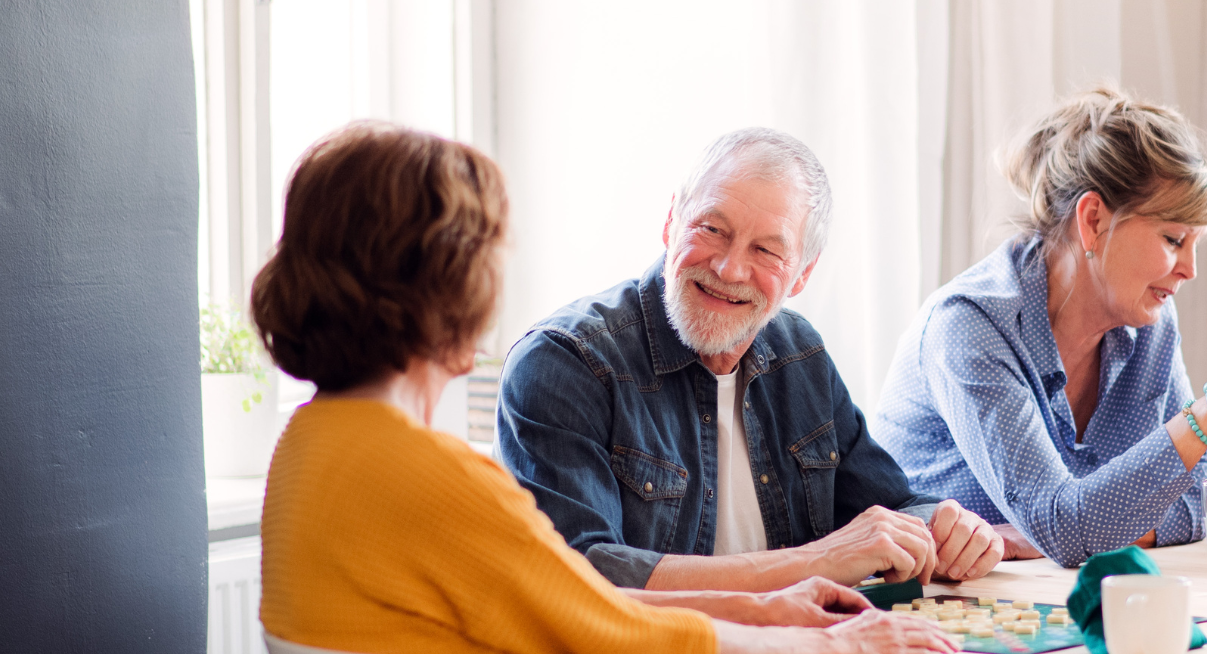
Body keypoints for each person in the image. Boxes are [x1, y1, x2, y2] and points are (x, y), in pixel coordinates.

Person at [254, 122, 954, 653]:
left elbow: (586, 608)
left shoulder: (309, 443)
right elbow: (604, 625)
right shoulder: (438, 484)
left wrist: (774, 609)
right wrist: (824, 642)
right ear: (454, 291)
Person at [496, 128, 1004, 592]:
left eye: (766, 250)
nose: (729, 267)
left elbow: (887, 508)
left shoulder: (799, 354)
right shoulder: (564, 362)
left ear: (802, 275)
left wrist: (949, 526)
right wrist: (818, 561)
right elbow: (582, 575)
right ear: (672, 221)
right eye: (712, 229)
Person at [871, 87, 1207, 568]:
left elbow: (1198, 503)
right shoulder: (970, 326)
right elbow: (1067, 530)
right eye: (1174, 239)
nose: (1190, 269)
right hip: (924, 608)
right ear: (1092, 220)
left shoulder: (1149, 320)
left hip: (1039, 598)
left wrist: (1066, 534)